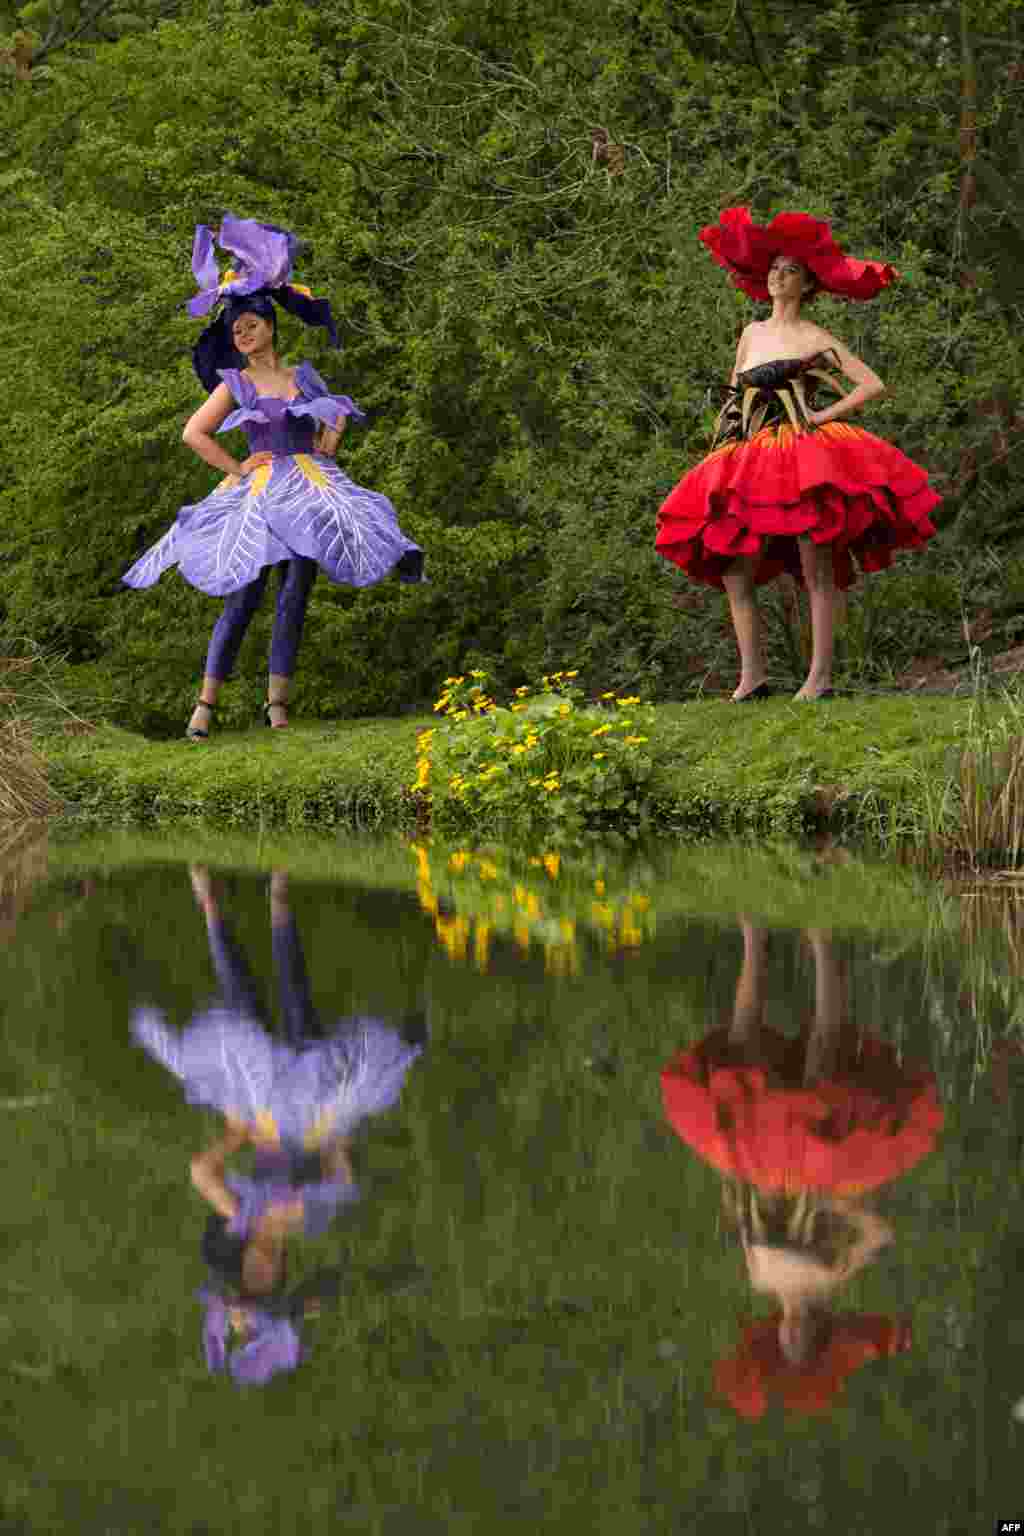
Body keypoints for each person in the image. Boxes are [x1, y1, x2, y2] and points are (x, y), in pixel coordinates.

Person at [122, 215, 424, 740]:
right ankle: (204, 705)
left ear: (271, 326)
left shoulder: (302, 376)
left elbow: (330, 425)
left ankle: (277, 705)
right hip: (259, 493)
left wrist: (331, 440)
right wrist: (238, 467)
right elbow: (193, 433)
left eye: (252, 325)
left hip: (307, 487)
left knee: (296, 593)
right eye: (236, 329)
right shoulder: (234, 383)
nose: (243, 334)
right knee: (244, 593)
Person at [130, 864, 428, 1383]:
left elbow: (200, 1172)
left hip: (262, 1110)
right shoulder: (300, 1222)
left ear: (242, 1264)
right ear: (279, 1275)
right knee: (297, 1006)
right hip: (309, 1109)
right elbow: (341, 1180)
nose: (260, 1272)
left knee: (241, 1001)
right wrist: (335, 1138)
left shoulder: (239, 1215)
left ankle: (210, 907)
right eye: (265, 1280)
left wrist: (237, 1134)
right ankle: (279, 904)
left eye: (250, 1275)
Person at [655, 206, 941, 700]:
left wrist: (825, 418)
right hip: (748, 452)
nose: (777, 277)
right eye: (773, 269)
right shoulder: (752, 333)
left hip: (804, 453)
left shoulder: (813, 336)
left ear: (807, 284)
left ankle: (819, 678)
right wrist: (723, 441)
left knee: (815, 566)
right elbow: (732, 392)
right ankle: (752, 677)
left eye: (789, 271)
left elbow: (871, 384)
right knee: (733, 566)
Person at [661, 921, 943, 1418]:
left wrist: (753, 1199)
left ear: (777, 1335)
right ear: (817, 1334)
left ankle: (754, 937)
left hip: (766, 1160)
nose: (794, 1334)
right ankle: (822, 939)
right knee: (822, 1064)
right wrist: (835, 1208)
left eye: (787, 1341)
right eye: (805, 1340)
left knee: (737, 1054)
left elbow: (742, 1209)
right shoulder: (832, 1277)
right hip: (812, 1166)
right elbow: (872, 1227)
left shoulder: (761, 1280)